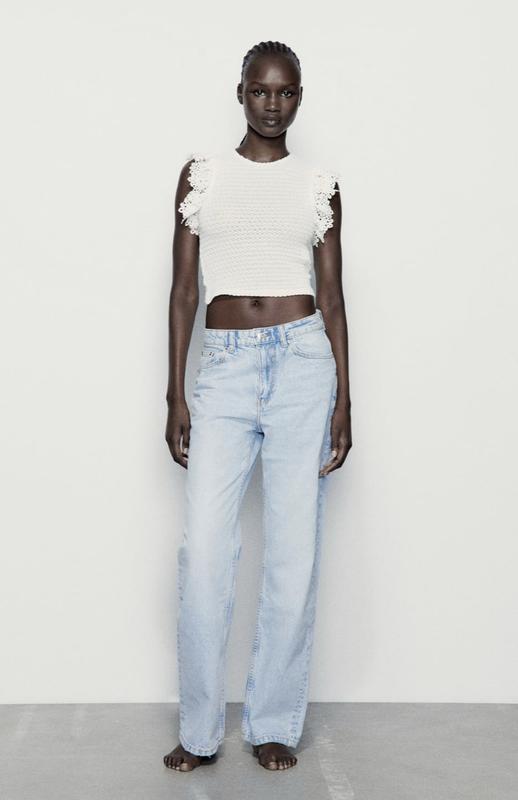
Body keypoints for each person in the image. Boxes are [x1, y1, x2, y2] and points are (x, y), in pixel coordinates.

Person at [163, 40, 352, 773]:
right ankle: (200, 731)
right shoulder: (202, 177)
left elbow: (332, 297)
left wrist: (345, 400)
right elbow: (184, 291)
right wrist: (177, 391)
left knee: (292, 555)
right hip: (226, 371)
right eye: (260, 91)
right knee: (205, 554)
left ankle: (273, 721)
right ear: (240, 93)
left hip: (305, 366)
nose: (273, 104)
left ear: (300, 97)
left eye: (286, 92)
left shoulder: (319, 185)